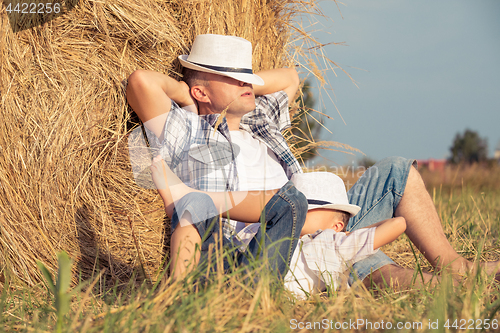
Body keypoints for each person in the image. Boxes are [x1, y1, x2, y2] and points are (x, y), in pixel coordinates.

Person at [126, 33, 500, 287]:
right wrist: (189, 96)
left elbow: (290, 78)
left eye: (248, 76)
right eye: (234, 77)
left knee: (396, 172)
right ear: (201, 89)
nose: (247, 83)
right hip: (278, 244)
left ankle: (454, 267)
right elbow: (141, 82)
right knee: (361, 259)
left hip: (322, 212)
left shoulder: (260, 122)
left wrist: (240, 84)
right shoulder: (191, 132)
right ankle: (438, 288)